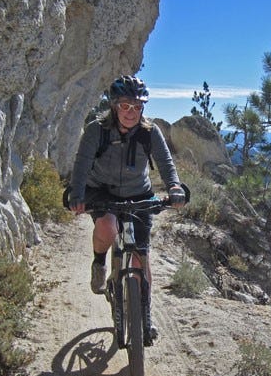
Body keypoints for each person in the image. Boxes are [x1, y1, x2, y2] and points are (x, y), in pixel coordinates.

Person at [68, 75, 186, 345]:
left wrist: (174, 187)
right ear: (114, 106)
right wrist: (77, 195)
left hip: (138, 193)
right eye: (125, 106)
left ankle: (145, 315)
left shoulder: (150, 132)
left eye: (137, 106)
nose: (131, 112)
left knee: (141, 258)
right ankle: (100, 262)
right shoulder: (97, 130)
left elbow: (166, 163)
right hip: (102, 190)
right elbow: (82, 163)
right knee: (107, 227)